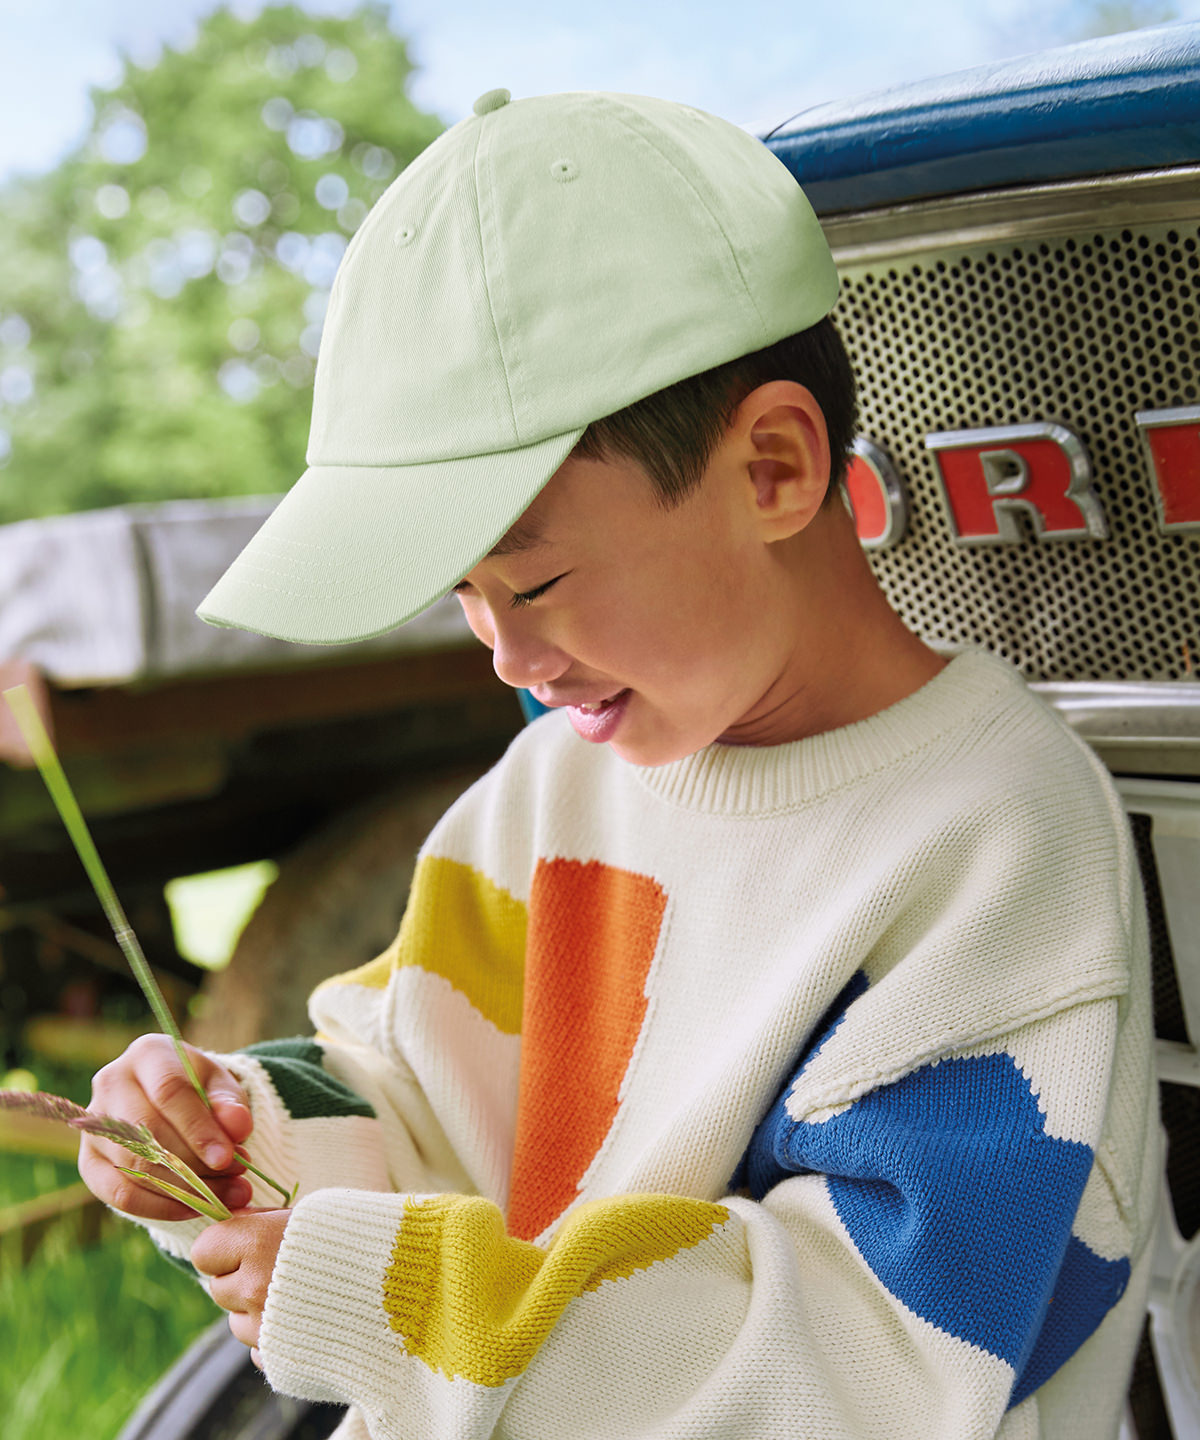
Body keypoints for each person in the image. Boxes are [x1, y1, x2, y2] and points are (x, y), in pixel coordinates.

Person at [78, 88, 1159, 1439]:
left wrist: (414, 1299)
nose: (506, 657)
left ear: (772, 467)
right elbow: (421, 1093)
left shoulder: (989, 842)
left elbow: (878, 1356)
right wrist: (245, 1141)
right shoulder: (547, 798)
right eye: (464, 596)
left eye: (535, 581)